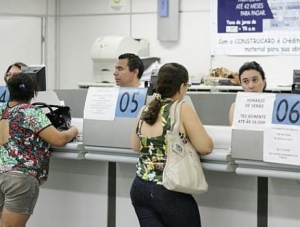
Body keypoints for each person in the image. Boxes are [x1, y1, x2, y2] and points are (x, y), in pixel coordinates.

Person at [130, 62, 214, 227]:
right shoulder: (181, 108)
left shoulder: (145, 110)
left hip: (140, 188)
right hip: (168, 189)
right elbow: (205, 147)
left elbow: (135, 146)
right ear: (182, 86)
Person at [0, 73, 78, 227]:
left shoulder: (2, 109)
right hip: (20, 178)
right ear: (34, 93)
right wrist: (74, 130)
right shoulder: (32, 112)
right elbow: (59, 139)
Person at [229, 61, 266, 125]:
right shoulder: (236, 107)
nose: (251, 86)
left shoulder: (273, 106)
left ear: (263, 81)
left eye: (255, 80)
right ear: (241, 84)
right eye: (246, 81)